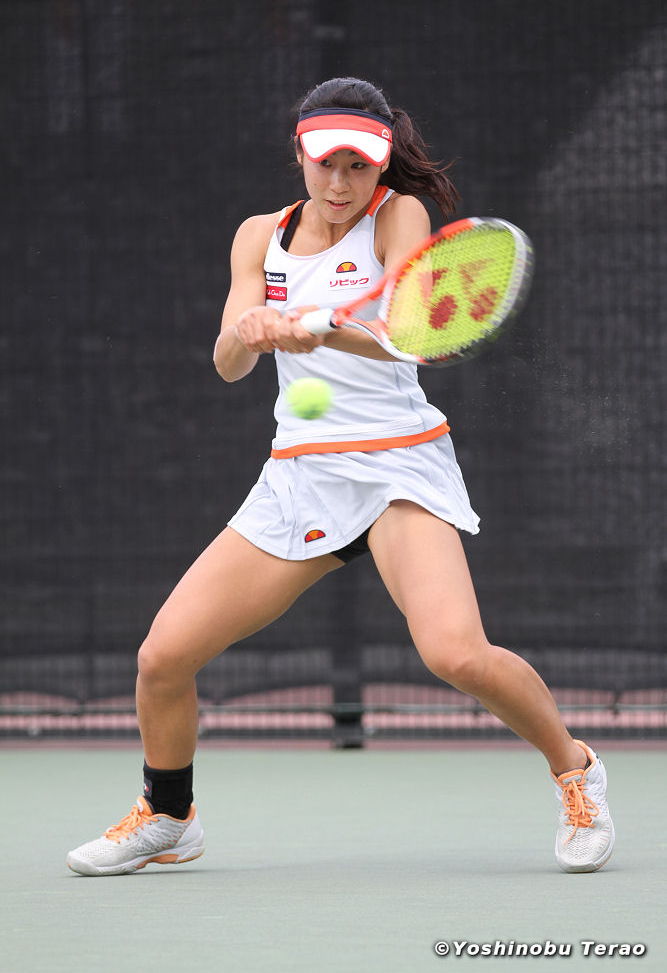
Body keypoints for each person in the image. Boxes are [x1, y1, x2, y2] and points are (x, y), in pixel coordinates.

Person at [67, 77, 614, 877]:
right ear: (299, 153)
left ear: (381, 164)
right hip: (300, 474)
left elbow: (410, 335)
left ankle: (576, 770)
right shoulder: (258, 236)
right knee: (162, 658)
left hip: (397, 466)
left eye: (359, 165)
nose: (340, 182)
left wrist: (317, 328)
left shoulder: (399, 216)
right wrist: (251, 330)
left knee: (455, 655)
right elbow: (226, 363)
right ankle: (169, 817)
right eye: (326, 163)